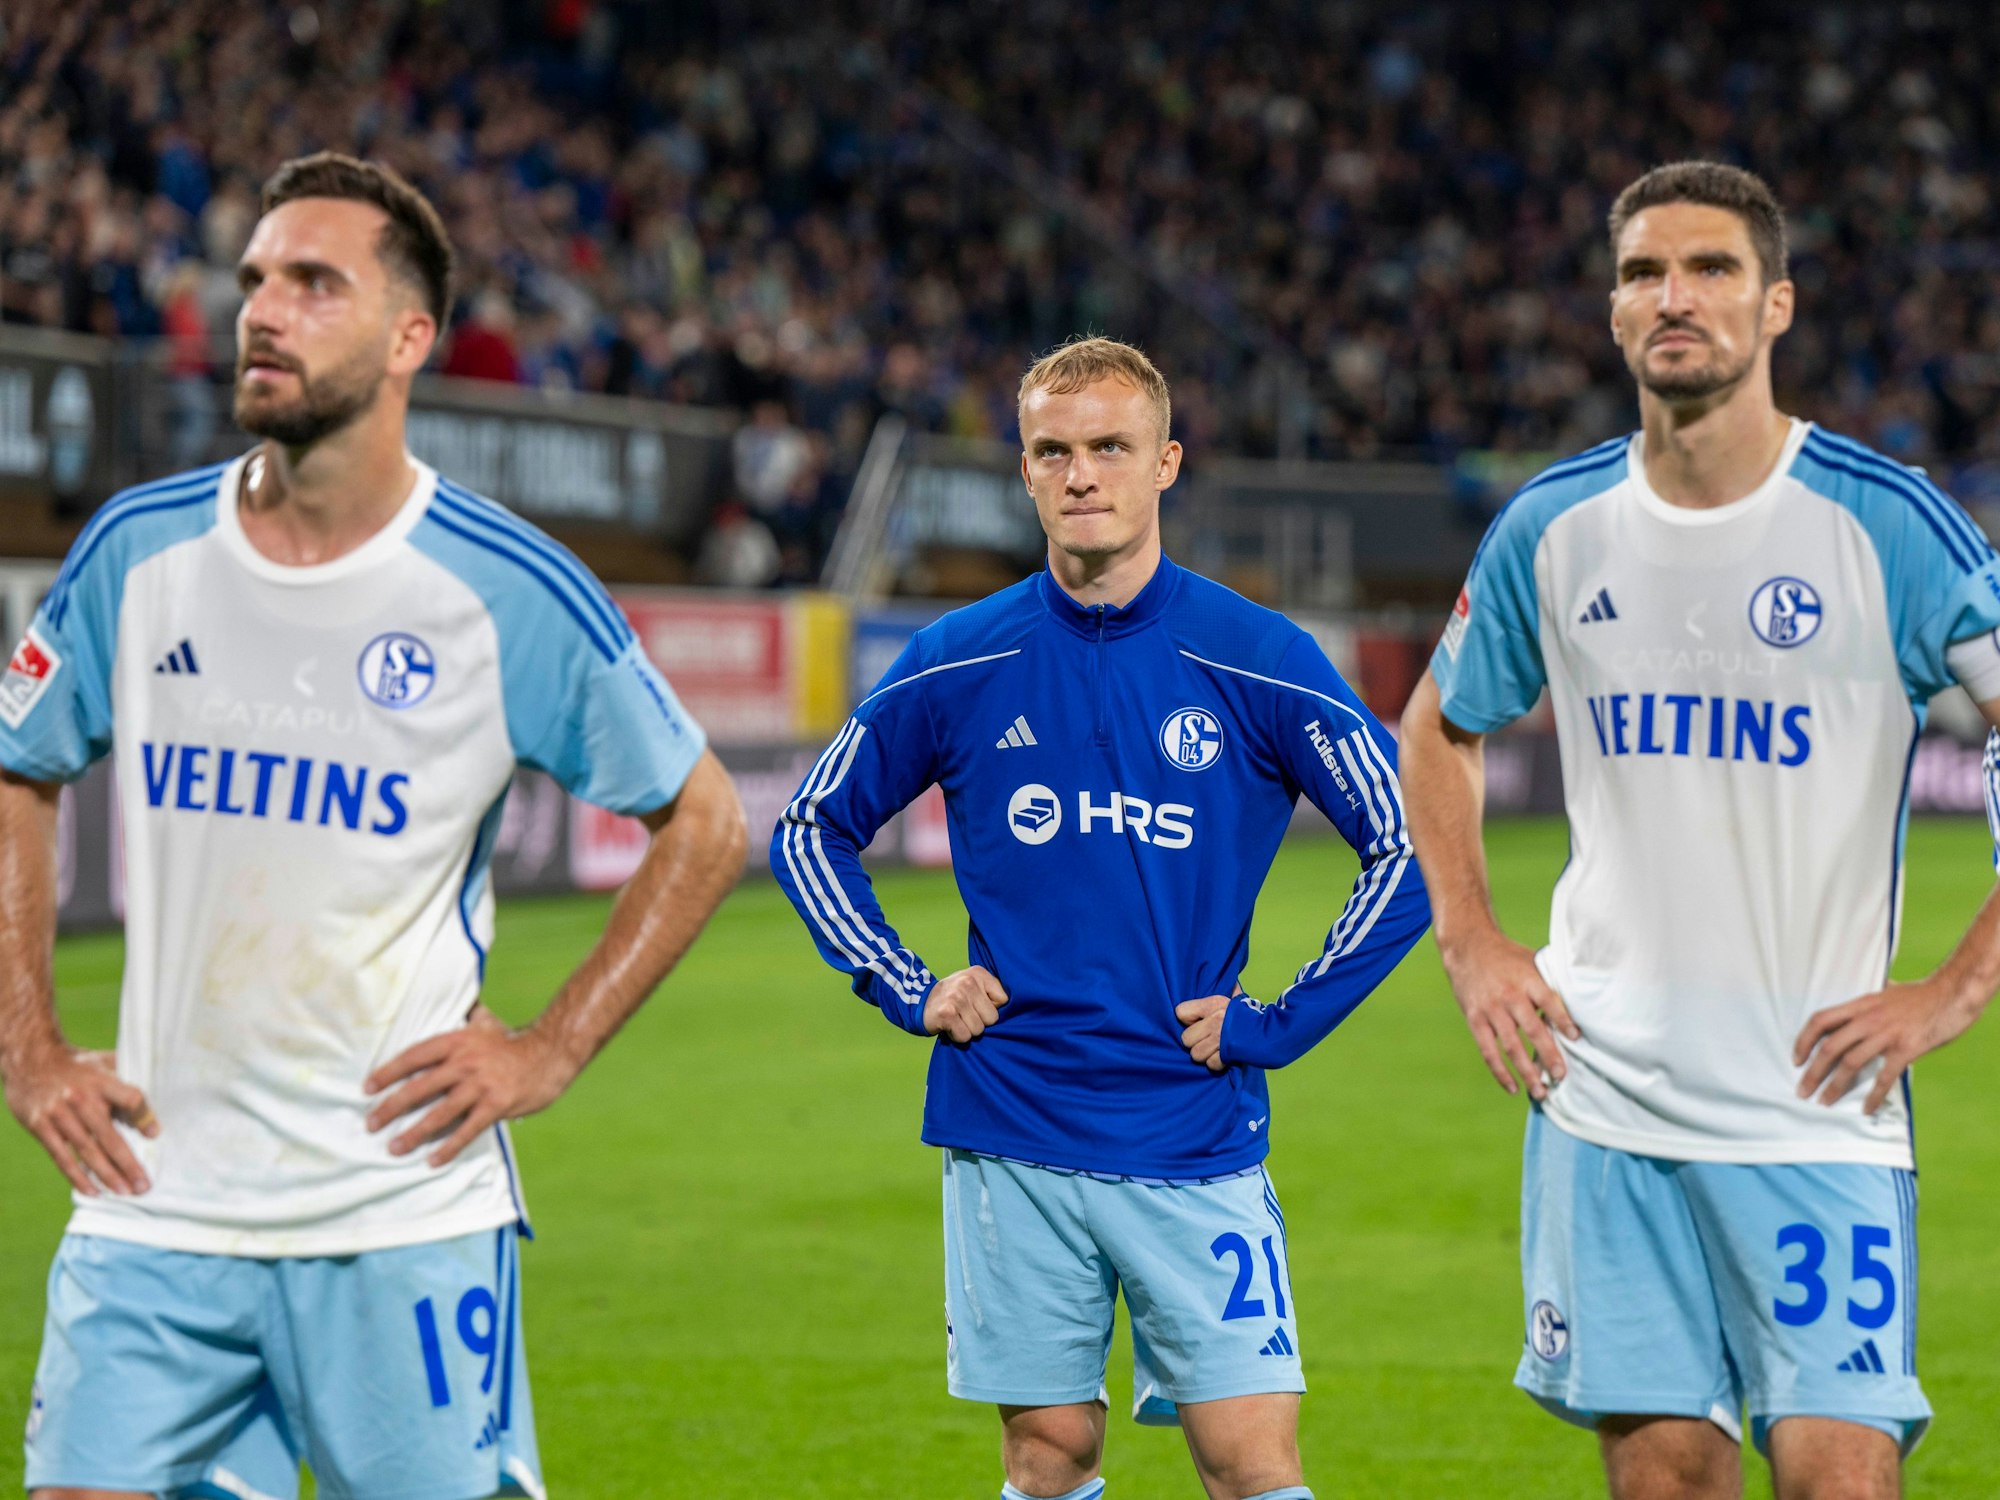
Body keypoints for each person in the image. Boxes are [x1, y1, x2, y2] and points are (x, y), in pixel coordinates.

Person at [0, 152, 747, 1500]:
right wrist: (30, 1048)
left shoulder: (502, 590)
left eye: (313, 283)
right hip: (155, 1213)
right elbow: (17, 769)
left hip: (401, 1219)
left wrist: (550, 1047)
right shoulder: (138, 550)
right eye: (255, 281)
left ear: (412, 338)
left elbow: (702, 820)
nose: (262, 311)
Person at [1399, 160, 2000, 1500]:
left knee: (1837, 1481)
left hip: (1815, 1105)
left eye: (1713, 269)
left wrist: (1955, 992)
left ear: (1776, 304)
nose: (1676, 298)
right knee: (1664, 1481)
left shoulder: (1886, 524)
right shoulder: (1552, 527)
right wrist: (1473, 942)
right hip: (1605, 1094)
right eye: (1643, 274)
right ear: (1614, 315)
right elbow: (1438, 726)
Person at [772, 336, 1429, 1500]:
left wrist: (1277, 1021)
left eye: (1109, 448)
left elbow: (1412, 840)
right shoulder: (953, 660)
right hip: (1009, 1123)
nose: (1081, 475)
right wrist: (906, 980)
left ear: (1164, 462)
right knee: (1047, 1453)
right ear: (1024, 474)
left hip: (1190, 1131)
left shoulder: (1259, 657)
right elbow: (808, 827)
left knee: (1248, 1459)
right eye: (1053, 452)